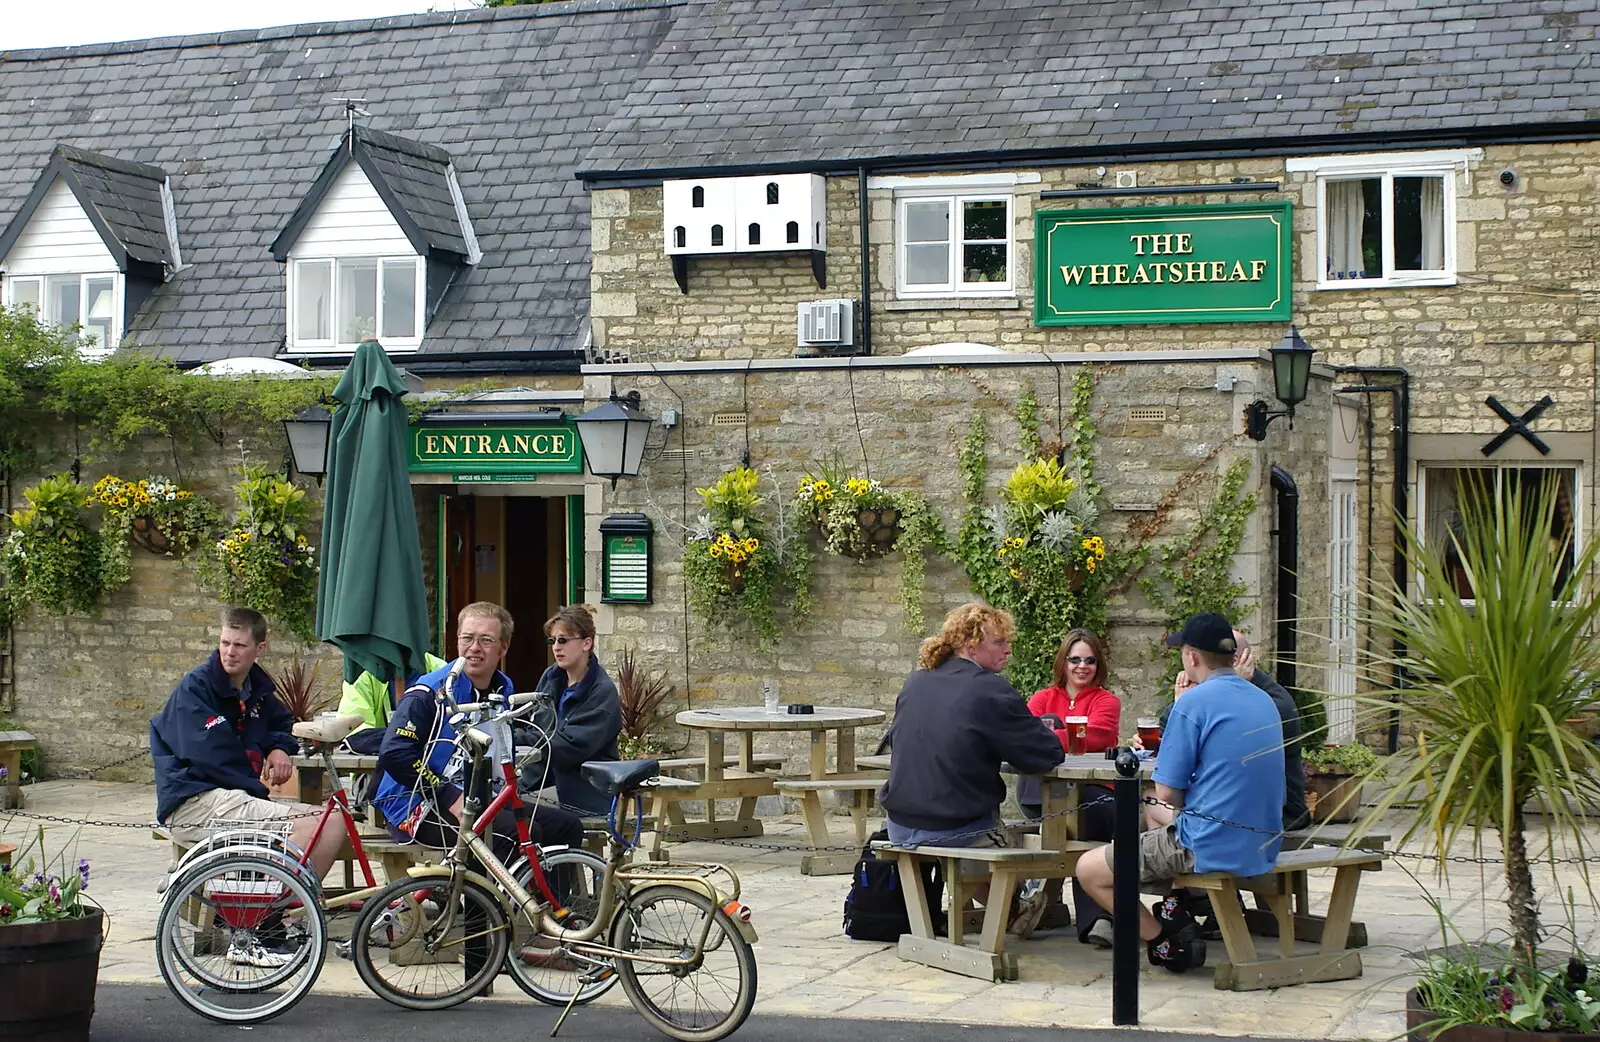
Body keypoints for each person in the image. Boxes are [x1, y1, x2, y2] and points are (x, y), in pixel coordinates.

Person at [1076, 612, 1285, 972]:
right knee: (1152, 814)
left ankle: (1165, 942)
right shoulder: (1264, 700)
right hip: (1262, 840)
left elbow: (1167, 790)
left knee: (1088, 869)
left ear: (1191, 657)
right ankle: (1176, 905)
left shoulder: (1192, 703)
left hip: (1210, 843)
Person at [150, 608, 346, 967]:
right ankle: (254, 930)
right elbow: (211, 757)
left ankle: (280, 915)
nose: (230, 652)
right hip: (194, 799)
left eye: (239, 645)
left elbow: (283, 722)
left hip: (231, 797)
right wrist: (259, 788)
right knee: (306, 824)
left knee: (332, 822)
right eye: (225, 642)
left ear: (260, 648)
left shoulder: (256, 688)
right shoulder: (196, 688)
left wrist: (276, 747)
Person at [879, 603, 1065, 935]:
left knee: (974, 826)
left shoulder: (916, 681)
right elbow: (1046, 755)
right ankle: (1018, 906)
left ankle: (1005, 910)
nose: (1008, 650)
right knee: (1023, 843)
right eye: (998, 642)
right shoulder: (988, 689)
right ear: (970, 643)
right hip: (952, 826)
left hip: (899, 823)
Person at [371, 601, 585, 862]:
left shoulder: (503, 690)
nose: (474, 648)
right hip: (416, 805)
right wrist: (448, 795)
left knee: (566, 827)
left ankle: (550, 903)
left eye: (486, 640)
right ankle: (482, 904)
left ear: (503, 647)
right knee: (513, 835)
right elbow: (395, 753)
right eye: (467, 638)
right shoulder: (430, 692)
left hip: (480, 799)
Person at [1018, 628, 1121, 948]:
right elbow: (1024, 736)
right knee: (1084, 820)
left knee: (1092, 818)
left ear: (1098, 664)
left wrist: (1050, 735)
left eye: (1089, 660)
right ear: (1063, 662)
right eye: (1074, 659)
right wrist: (1064, 736)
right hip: (1041, 795)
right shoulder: (1042, 698)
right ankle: (1103, 916)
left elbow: (1099, 737)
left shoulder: (1107, 701)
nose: (1082, 666)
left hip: (1093, 792)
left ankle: (1099, 917)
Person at [1160, 629, 1308, 832]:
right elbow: (1165, 727)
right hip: (1234, 810)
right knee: (1154, 808)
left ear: (1236, 660)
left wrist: (1228, 689)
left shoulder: (1273, 703)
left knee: (1156, 805)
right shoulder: (1209, 695)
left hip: (1277, 816)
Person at [517, 604, 623, 815]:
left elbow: (569, 747)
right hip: (538, 787)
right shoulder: (551, 677)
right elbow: (533, 726)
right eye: (552, 641)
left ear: (586, 643)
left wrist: (515, 739)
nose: (556, 647)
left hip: (581, 796)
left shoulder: (602, 692)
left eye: (563, 640)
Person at [337, 651, 447, 755]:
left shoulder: (442, 671)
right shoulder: (361, 674)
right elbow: (354, 730)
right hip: (377, 764)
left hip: (433, 764)